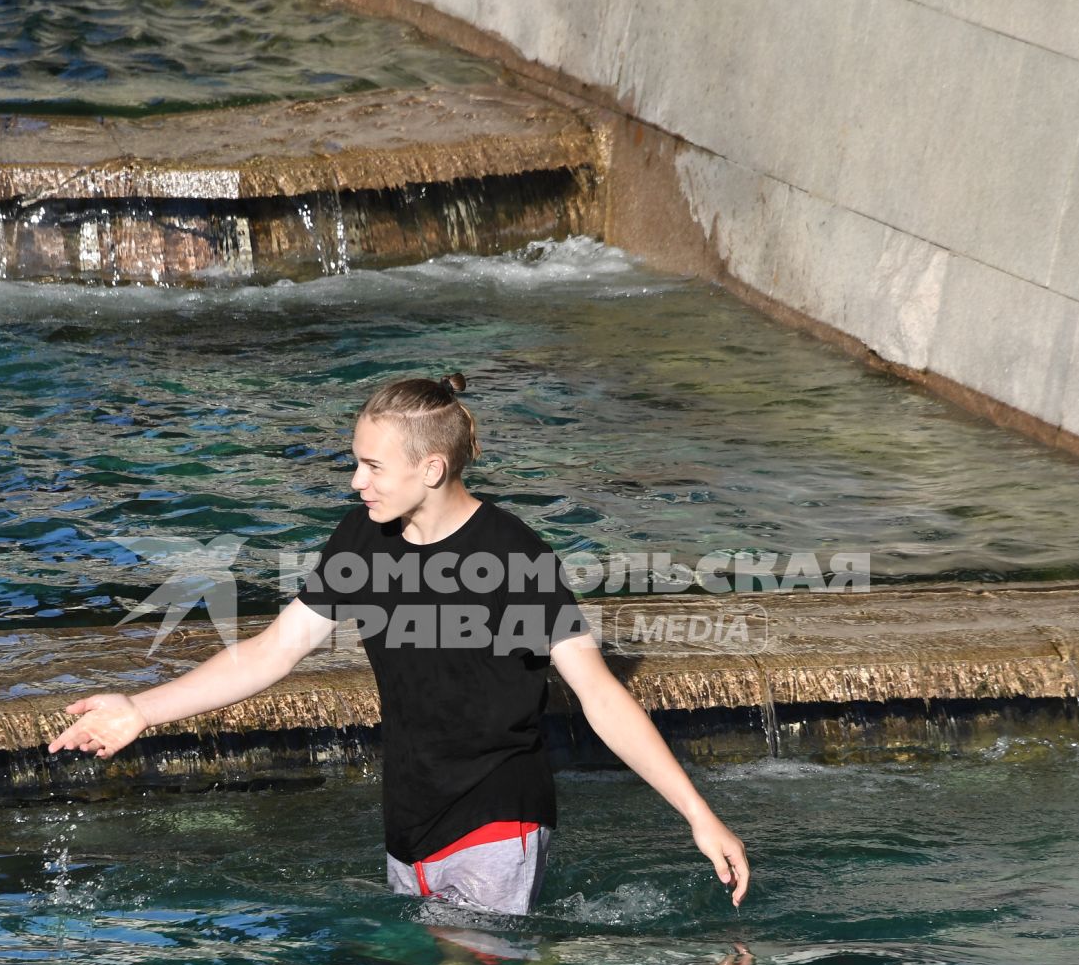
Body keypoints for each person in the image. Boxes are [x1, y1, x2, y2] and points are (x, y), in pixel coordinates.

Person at [47, 374, 749, 915]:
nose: (357, 482)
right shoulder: (362, 539)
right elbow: (270, 651)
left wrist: (699, 814)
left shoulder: (516, 559)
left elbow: (598, 695)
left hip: (497, 815)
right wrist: (141, 711)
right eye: (357, 463)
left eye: (373, 467)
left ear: (432, 470)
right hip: (409, 819)